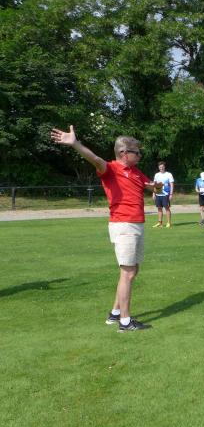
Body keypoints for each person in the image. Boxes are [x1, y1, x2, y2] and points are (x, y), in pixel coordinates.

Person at [50, 125, 159, 332]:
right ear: (124, 153)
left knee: (132, 270)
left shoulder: (135, 172)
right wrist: (75, 144)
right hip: (124, 224)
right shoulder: (111, 169)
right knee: (128, 272)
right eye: (137, 152)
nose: (140, 155)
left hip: (137, 224)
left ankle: (115, 313)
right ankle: (125, 322)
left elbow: (150, 186)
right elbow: (95, 159)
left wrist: (158, 187)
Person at [153, 161, 174, 228]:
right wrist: (153, 193)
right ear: (158, 167)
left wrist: (171, 194)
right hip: (158, 194)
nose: (161, 168)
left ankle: (168, 223)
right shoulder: (156, 175)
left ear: (164, 167)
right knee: (159, 208)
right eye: (160, 167)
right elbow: (155, 185)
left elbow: (171, 184)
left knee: (167, 208)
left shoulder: (169, 174)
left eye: (162, 167)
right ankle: (160, 223)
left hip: (166, 194)